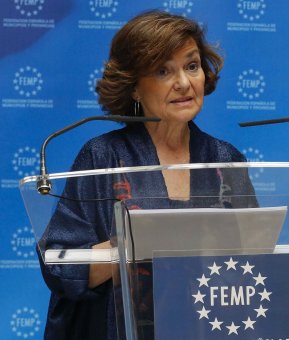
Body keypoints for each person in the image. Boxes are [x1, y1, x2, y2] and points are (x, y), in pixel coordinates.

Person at [38, 10, 256, 340]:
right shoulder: (103, 157)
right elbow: (62, 264)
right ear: (135, 88)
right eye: (163, 70)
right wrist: (144, 242)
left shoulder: (225, 159)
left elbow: (256, 263)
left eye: (192, 65)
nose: (183, 82)